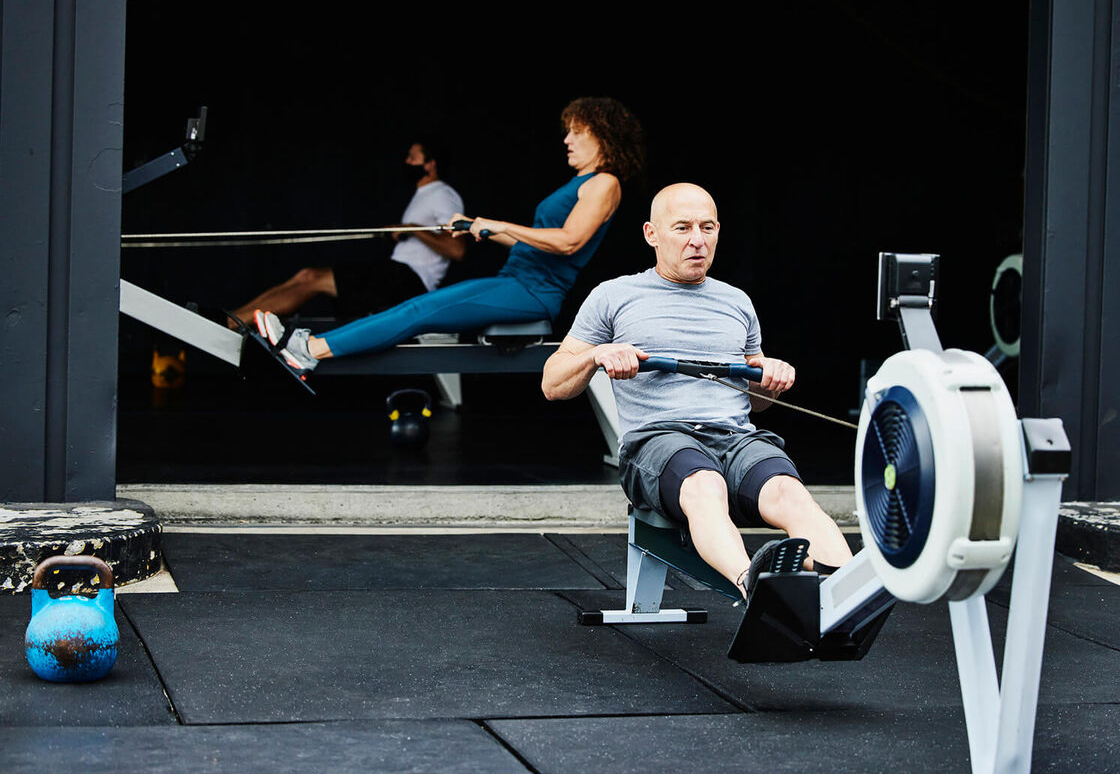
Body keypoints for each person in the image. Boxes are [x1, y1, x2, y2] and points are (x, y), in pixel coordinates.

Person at [541, 183, 852, 601]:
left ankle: (845, 592)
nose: (697, 240)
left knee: (787, 491)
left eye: (707, 228)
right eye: (683, 228)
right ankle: (755, 590)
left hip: (735, 438)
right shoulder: (614, 296)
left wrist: (769, 379)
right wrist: (598, 354)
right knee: (705, 483)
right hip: (659, 441)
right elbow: (552, 383)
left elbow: (756, 401)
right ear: (652, 233)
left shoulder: (736, 302)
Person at [252, 97, 645, 373]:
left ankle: (310, 350)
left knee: (418, 311)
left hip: (533, 292)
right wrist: (479, 226)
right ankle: (311, 347)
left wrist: (503, 225)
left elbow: (569, 242)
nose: (567, 140)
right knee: (415, 310)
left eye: (576, 132)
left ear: (602, 135)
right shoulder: (582, 182)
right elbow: (537, 239)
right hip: (515, 282)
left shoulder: (604, 182)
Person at [228, 141, 466, 327]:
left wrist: (411, 229)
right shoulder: (424, 195)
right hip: (398, 275)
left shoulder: (443, 194)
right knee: (306, 276)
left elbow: (457, 249)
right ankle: (232, 319)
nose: (406, 161)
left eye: (412, 158)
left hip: (411, 281)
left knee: (311, 279)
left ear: (430, 165)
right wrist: (408, 230)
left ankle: (232, 322)